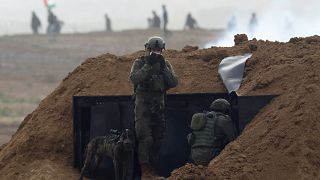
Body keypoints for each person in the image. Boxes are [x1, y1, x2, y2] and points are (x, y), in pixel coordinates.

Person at [130, 36, 178, 179]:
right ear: (148, 50)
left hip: (158, 106)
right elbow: (134, 78)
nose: (156, 53)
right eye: (153, 50)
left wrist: (163, 68)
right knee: (145, 138)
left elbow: (173, 82)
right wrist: (148, 66)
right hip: (143, 106)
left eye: (158, 50)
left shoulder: (165, 64)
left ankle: (153, 171)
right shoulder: (139, 62)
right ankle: (145, 172)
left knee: (158, 138)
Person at [187, 98, 236, 166]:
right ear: (225, 109)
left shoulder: (201, 117)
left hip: (194, 155)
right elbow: (233, 139)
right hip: (211, 155)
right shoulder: (223, 119)